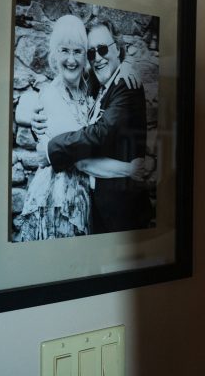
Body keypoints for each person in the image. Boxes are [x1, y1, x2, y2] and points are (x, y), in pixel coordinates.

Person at [43, 21, 153, 234]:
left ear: (118, 49)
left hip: (122, 211)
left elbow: (101, 133)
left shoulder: (126, 87)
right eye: (91, 53)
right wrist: (27, 112)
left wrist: (51, 148)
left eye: (103, 49)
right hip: (98, 208)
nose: (98, 58)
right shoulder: (99, 84)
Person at [12, 15, 97, 240]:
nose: (71, 60)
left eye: (77, 51)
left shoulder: (88, 91)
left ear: (86, 54)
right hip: (58, 197)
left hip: (83, 192)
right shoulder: (50, 95)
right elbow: (80, 151)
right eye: (64, 50)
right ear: (54, 54)